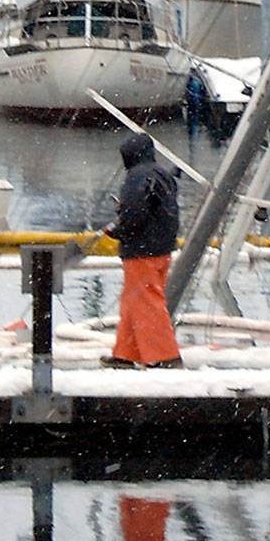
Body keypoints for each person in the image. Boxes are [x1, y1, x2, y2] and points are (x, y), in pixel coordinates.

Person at [102, 130, 182, 369]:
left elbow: (134, 213)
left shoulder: (137, 177)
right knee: (133, 301)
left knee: (146, 302)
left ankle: (165, 356)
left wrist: (118, 229)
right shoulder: (162, 175)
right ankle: (126, 353)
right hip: (162, 247)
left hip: (141, 248)